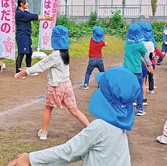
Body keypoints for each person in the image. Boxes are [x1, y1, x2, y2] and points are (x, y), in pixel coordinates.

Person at [8, 66, 142, 166]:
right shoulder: (118, 127)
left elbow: (68, 151)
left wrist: (30, 159)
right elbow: (75, 153)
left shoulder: (100, 127)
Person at [15, 25, 89, 140]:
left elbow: (42, 65)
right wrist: (28, 70)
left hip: (56, 86)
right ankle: (89, 127)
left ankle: (43, 132)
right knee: (74, 109)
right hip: (67, 85)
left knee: (48, 107)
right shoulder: (65, 53)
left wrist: (27, 72)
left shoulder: (55, 55)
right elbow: (43, 64)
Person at [15, 0, 53, 74]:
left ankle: (29, 71)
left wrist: (46, 18)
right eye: (26, 2)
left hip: (27, 35)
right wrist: (46, 18)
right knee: (21, 53)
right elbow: (33, 17)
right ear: (22, 4)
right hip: (22, 36)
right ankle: (18, 72)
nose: (28, 3)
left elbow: (33, 15)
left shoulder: (25, 12)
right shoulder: (19, 13)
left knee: (29, 53)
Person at [122, 23, 153, 116]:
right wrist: (149, 65)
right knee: (138, 89)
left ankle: (126, 107)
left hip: (126, 70)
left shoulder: (127, 44)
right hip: (136, 71)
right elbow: (145, 56)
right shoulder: (140, 45)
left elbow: (138, 56)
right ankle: (140, 109)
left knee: (127, 89)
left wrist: (145, 63)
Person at [80, 26, 107, 90]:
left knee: (88, 73)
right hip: (99, 60)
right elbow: (105, 43)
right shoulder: (102, 42)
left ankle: (86, 84)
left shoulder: (91, 39)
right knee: (102, 73)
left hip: (91, 60)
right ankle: (102, 85)